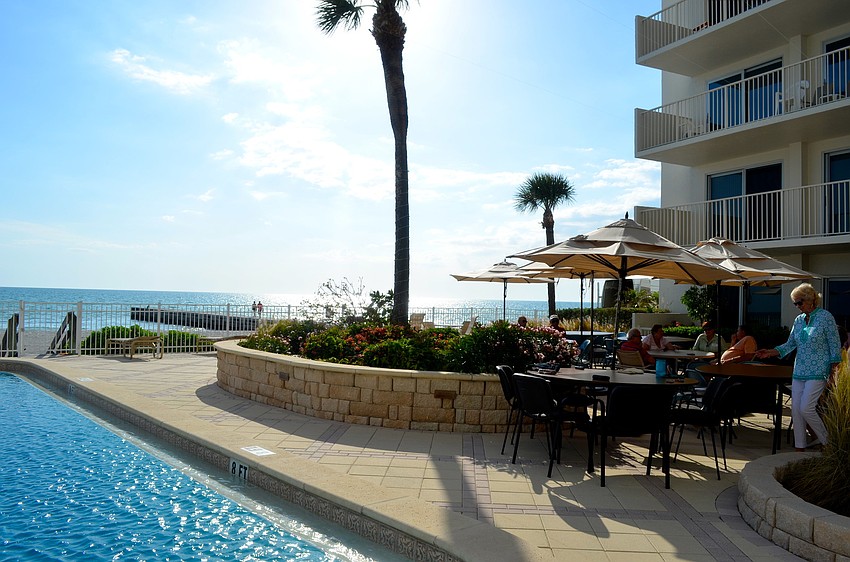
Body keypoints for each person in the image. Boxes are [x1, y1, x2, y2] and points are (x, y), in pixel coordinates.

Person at [755, 283, 841, 451]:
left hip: (818, 370)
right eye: (795, 303)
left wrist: (833, 370)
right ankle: (799, 447)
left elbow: (834, 345)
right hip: (799, 370)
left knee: (806, 408)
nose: (797, 306)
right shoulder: (799, 320)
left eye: (799, 303)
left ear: (810, 300)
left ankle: (828, 442)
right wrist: (771, 352)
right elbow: (790, 344)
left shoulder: (825, 317)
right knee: (796, 410)